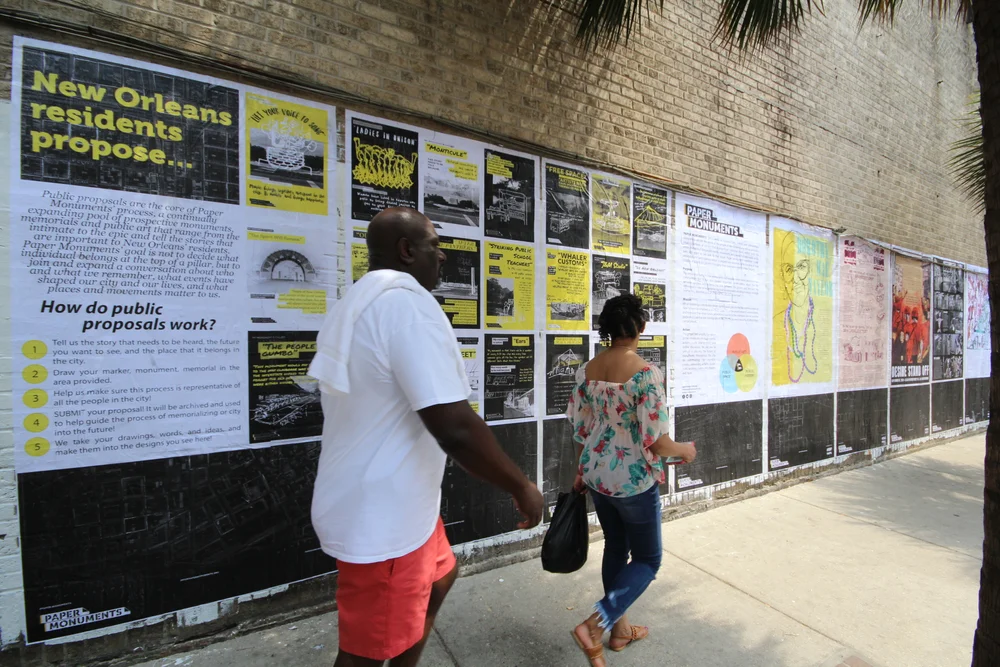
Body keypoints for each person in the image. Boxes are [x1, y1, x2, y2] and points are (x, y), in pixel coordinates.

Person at [308, 207, 544, 667]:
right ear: (406, 250)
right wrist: (521, 487)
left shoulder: (362, 300)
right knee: (364, 654)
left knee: (439, 577)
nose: (443, 256)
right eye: (434, 246)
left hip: (398, 504)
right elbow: (454, 427)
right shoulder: (405, 307)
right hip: (385, 519)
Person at [567, 294, 696, 667]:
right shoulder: (645, 374)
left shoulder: (587, 371)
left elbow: (581, 428)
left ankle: (620, 630)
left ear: (607, 330)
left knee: (615, 546)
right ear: (640, 327)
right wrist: (686, 450)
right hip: (632, 481)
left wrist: (581, 471)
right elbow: (657, 442)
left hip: (597, 475)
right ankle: (596, 625)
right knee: (648, 559)